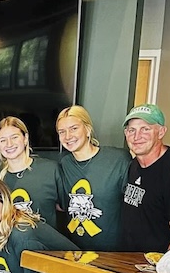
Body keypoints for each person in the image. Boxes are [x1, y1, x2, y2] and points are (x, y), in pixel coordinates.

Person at [121, 103, 170, 253]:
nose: (137, 136)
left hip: (161, 269)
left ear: (161, 132)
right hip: (130, 262)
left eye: (145, 129)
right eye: (132, 130)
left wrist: (159, 270)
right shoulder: (133, 165)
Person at [56, 105, 130, 251]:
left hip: (114, 253)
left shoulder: (118, 160)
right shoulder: (64, 164)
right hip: (75, 253)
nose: (68, 136)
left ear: (88, 129)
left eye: (74, 128)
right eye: (62, 132)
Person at [0, 115, 60, 229]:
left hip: (47, 244)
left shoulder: (50, 169)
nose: (9, 144)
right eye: (3, 140)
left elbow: (64, 207)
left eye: (14, 137)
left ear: (25, 138)